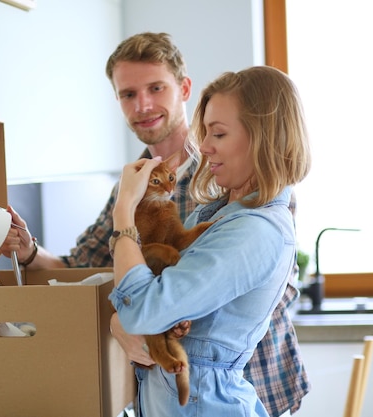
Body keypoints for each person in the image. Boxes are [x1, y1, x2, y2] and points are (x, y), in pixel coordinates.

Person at [0, 32, 310, 416]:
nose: (142, 104)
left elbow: (268, 282)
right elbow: (84, 267)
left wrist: (148, 312)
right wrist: (29, 249)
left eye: (155, 88)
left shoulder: (234, 178)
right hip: (170, 389)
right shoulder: (131, 187)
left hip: (249, 380)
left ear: (183, 89)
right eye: (128, 94)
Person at [109, 65, 311, 416]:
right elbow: (153, 296)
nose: (203, 147)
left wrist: (123, 211)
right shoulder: (213, 214)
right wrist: (119, 321)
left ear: (263, 137)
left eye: (217, 134)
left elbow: (144, 311)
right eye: (205, 134)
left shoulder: (255, 231)